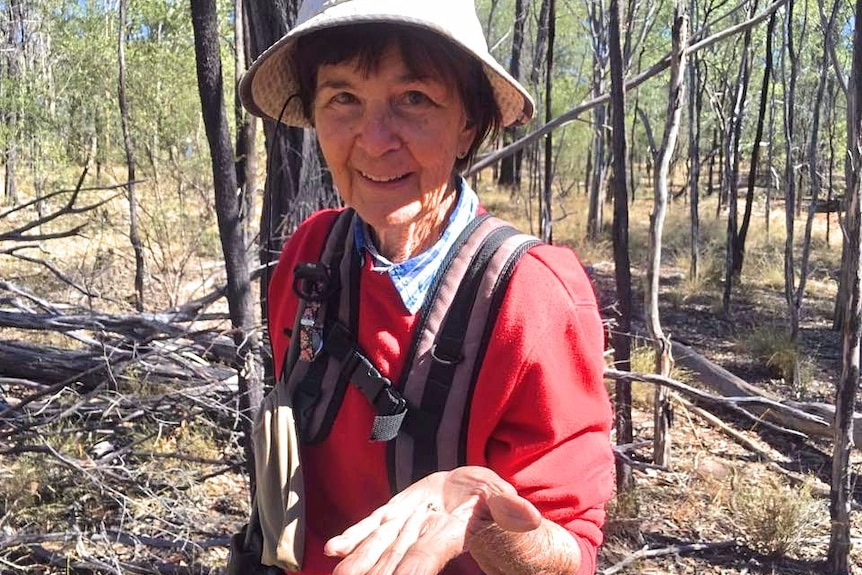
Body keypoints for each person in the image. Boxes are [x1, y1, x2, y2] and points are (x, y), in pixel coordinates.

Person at [238, 1, 615, 574]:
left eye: (414, 98)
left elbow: (571, 553)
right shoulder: (309, 254)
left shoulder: (529, 297)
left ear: (468, 121)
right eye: (343, 98)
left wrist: (483, 517)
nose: (374, 138)